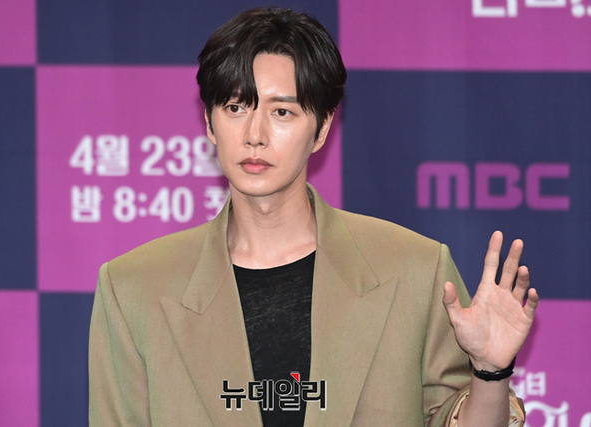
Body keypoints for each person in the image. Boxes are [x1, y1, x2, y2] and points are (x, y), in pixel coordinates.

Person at [89, 7, 539, 426]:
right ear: (209, 122)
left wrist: (490, 372)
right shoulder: (133, 288)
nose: (255, 135)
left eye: (282, 112)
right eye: (235, 107)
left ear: (322, 128)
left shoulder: (415, 271)